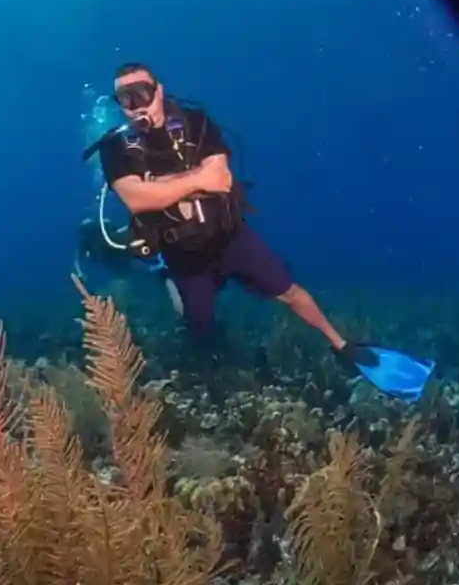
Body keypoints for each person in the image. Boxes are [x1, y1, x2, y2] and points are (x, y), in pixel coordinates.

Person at [89, 61, 434, 400]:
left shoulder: (195, 122)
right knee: (198, 325)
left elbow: (221, 179)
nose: (136, 106)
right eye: (126, 99)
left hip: (229, 238)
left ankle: (343, 346)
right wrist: (194, 181)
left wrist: (159, 188)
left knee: (290, 291)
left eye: (143, 93)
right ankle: (167, 280)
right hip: (183, 255)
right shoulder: (114, 147)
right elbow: (137, 200)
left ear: (160, 91)